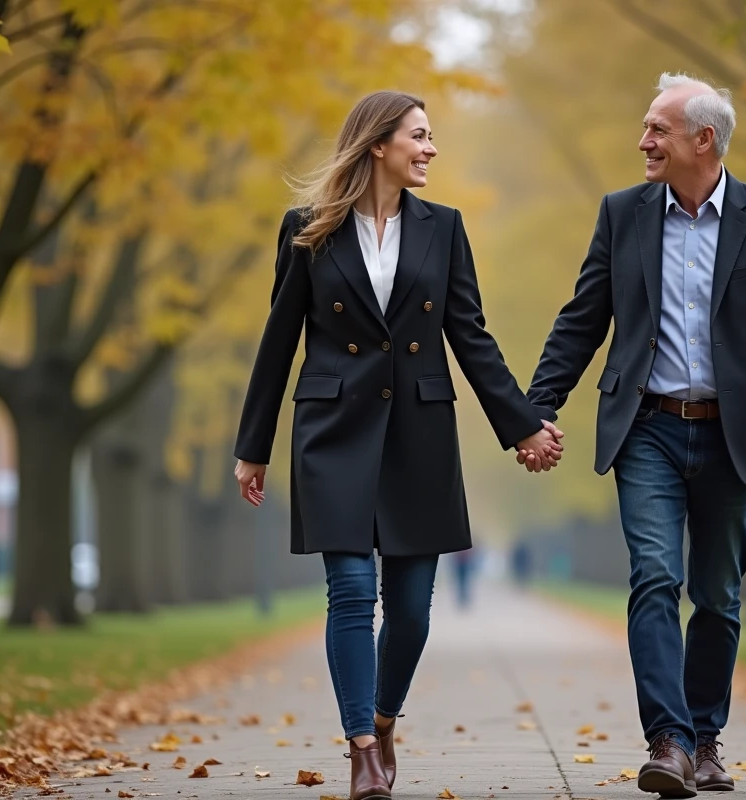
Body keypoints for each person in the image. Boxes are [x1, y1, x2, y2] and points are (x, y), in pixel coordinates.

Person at [232, 90, 563, 800]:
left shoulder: (444, 228)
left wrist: (524, 425)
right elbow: (278, 342)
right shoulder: (308, 230)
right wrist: (252, 444)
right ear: (378, 144)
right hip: (334, 431)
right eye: (420, 135)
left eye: (432, 136)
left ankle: (382, 722)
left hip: (420, 431)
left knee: (411, 608)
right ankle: (359, 750)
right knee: (350, 590)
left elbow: (470, 335)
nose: (431, 149)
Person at [521, 73, 746, 797]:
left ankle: (707, 739)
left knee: (717, 594)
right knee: (655, 576)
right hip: (648, 429)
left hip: (734, 436)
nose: (643, 141)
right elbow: (582, 318)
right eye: (644, 127)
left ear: (703, 141)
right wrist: (534, 408)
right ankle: (668, 740)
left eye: (657, 129)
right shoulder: (622, 214)